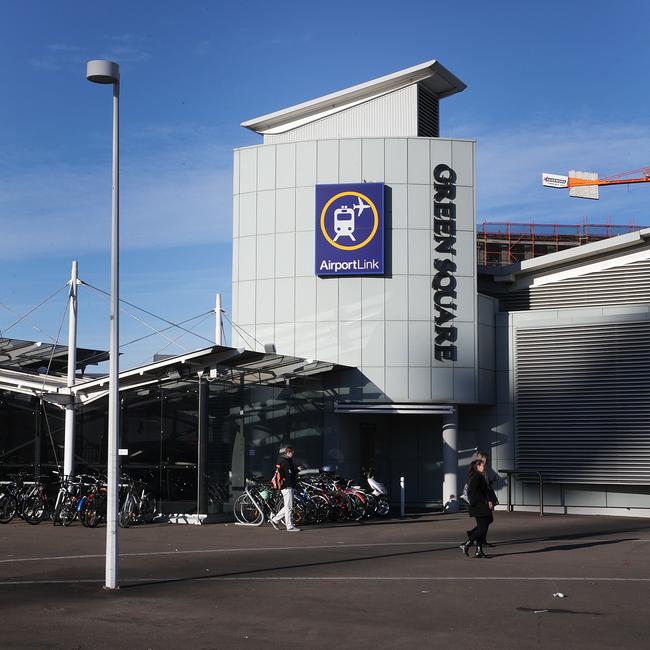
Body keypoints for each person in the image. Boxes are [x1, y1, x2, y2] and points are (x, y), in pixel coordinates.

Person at [459, 458, 494, 558]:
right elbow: (471, 491)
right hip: (478, 505)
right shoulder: (477, 476)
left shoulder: (480, 476)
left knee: (486, 522)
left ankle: (478, 550)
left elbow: (482, 490)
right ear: (477, 466)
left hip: (480, 504)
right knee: (482, 527)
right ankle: (466, 544)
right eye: (482, 465)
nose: (484, 466)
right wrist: (484, 501)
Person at [465, 450, 498, 548]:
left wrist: (491, 481)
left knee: (486, 521)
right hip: (481, 502)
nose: (486, 462)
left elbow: (484, 486)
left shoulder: (482, 471)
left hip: (483, 499)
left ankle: (479, 541)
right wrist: (487, 500)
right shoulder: (479, 473)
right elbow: (478, 489)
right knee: (484, 523)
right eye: (485, 459)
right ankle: (473, 540)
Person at [270, 445, 301, 532]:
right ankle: (289, 526)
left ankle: (275, 520)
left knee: (288, 506)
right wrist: (297, 470)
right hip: (287, 486)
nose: (292, 454)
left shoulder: (285, 460)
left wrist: (296, 469)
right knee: (289, 507)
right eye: (291, 452)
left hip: (286, 486)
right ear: (287, 452)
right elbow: (289, 474)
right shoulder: (285, 462)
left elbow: (289, 473)